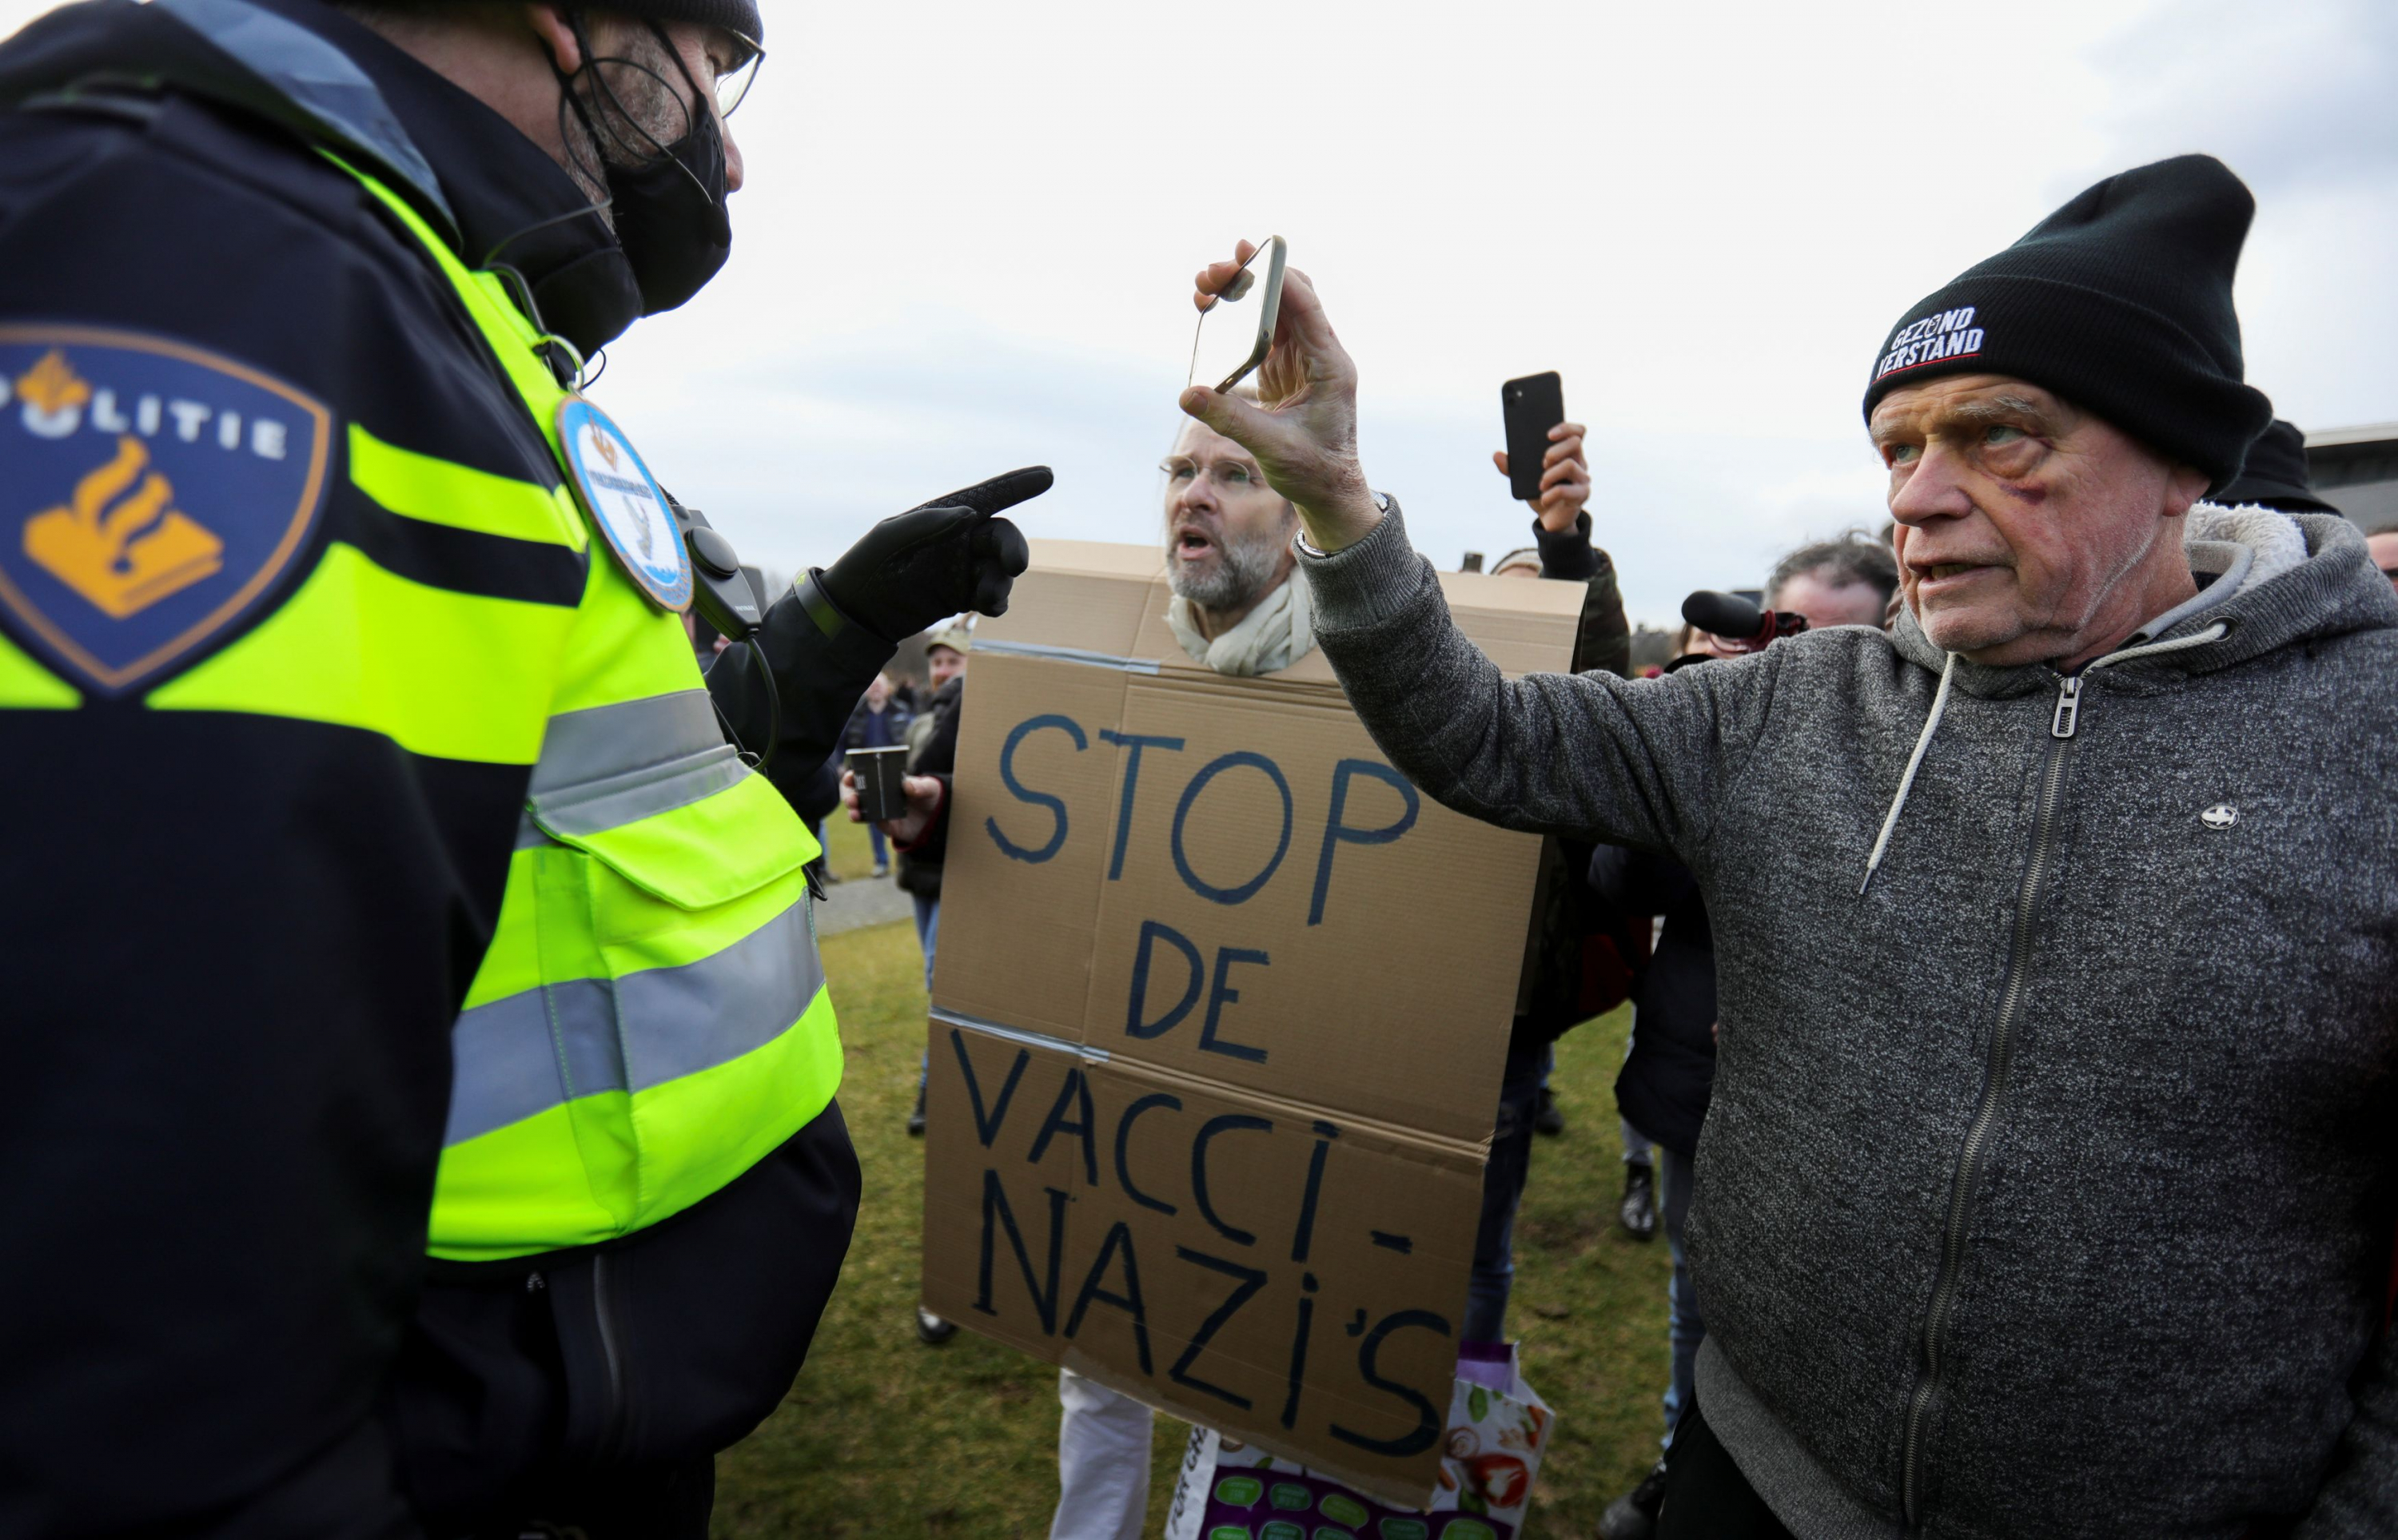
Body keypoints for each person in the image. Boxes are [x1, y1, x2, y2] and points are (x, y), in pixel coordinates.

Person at [1184, 155, 2396, 1537]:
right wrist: (1339, 492)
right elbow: (1485, 738)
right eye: (1899, 447)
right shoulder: (1796, 704)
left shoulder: (2370, 737)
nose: (1921, 500)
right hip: (1753, 1479)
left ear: (2183, 459)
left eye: (2000, 435)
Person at [0, 0, 1041, 1532]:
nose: (732, 156)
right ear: (571, 22)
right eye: (716, 66)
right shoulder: (220, 251)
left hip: (552, 1419)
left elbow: (591, 810)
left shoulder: (422, 294)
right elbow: (137, 1275)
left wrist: (837, 628)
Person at [1595, 535, 1901, 1540]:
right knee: (1701, 1301)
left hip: (1856, 1121)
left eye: (1837, 644)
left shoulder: (1938, 760)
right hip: (1704, 1087)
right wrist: (1697, 752)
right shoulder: (1728, 731)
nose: (1812, 674)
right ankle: (1678, 1467)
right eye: (1788, 641)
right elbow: (1623, 886)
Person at [841, 671, 913, 875]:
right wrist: (841, 764)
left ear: (887, 688)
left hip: (895, 770)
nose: (875, 688)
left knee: (901, 814)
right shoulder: (857, 714)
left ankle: (902, 860)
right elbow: (844, 741)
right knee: (874, 819)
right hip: (868, 771)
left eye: (879, 685)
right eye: (872, 685)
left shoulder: (901, 710)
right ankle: (881, 861)